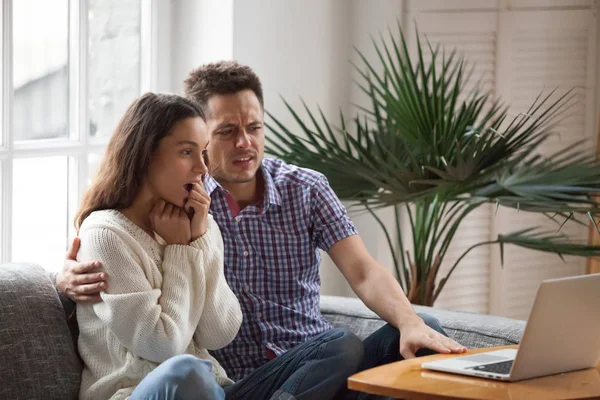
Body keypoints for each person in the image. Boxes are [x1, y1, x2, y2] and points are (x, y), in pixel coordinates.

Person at [59, 62, 467, 399]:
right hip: (242, 382)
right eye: (225, 132)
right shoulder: (185, 205)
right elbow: (114, 255)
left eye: (254, 128)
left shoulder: (300, 190)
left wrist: (410, 321)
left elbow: (362, 270)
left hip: (315, 365)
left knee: (426, 332)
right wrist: (63, 280)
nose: (244, 143)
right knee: (337, 345)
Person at [74, 92, 242, 400]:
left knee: (337, 347)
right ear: (146, 154)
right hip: (136, 393)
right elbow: (162, 346)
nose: (202, 168)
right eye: (186, 152)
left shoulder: (199, 224)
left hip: (210, 392)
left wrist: (200, 239)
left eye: (203, 153)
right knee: (188, 372)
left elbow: (219, 334)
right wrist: (180, 252)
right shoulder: (105, 234)